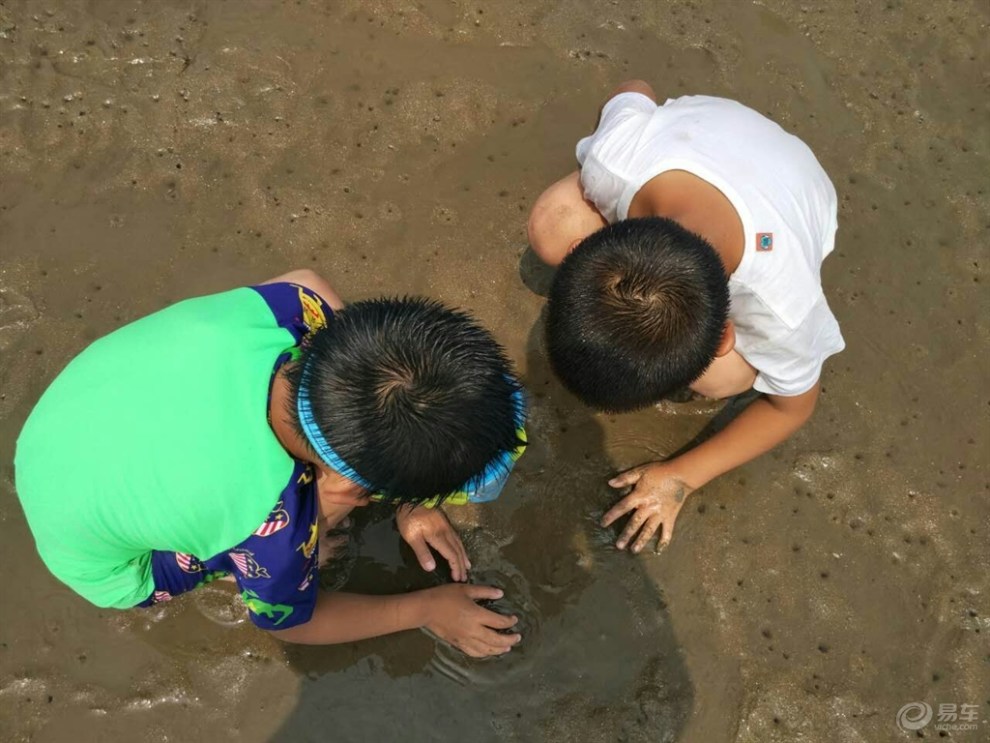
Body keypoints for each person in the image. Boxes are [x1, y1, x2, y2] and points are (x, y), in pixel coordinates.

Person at [15, 269, 527, 658]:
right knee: (293, 542)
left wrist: (408, 494)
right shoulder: (270, 530)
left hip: (66, 421)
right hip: (115, 563)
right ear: (356, 481)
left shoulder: (292, 313)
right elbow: (292, 623)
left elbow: (306, 279)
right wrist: (423, 608)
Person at [527, 81, 844, 554]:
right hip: (703, 141)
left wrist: (681, 476)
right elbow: (632, 91)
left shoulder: (784, 304)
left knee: (723, 381)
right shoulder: (614, 157)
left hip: (797, 193)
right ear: (585, 251)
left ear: (725, 335)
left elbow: (792, 407)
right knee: (551, 227)